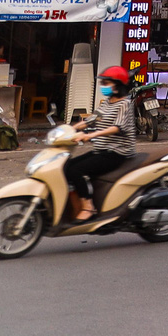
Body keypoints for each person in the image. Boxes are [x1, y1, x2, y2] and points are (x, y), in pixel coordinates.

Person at [66, 66, 138, 222]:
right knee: (66, 166)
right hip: (101, 150)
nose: (104, 86)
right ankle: (75, 205)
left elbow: (117, 127)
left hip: (116, 152)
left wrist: (91, 134)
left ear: (118, 85)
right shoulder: (107, 102)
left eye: (107, 83)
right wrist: (71, 128)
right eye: (103, 83)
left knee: (77, 170)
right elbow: (93, 118)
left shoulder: (125, 104)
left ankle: (88, 207)